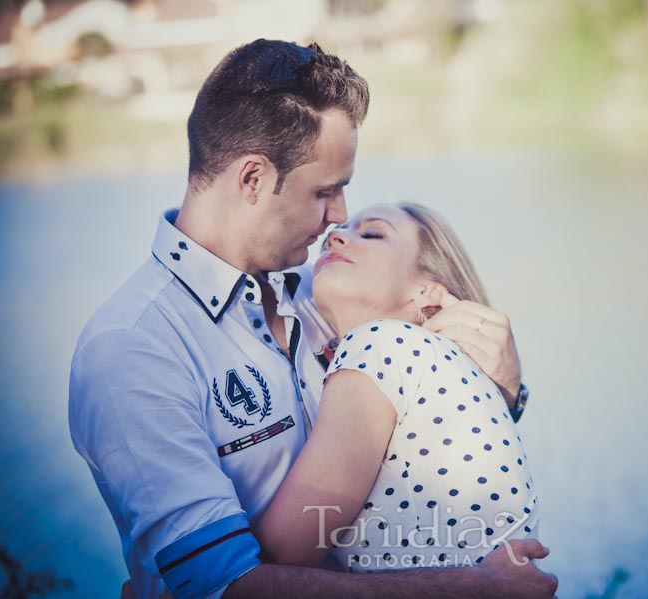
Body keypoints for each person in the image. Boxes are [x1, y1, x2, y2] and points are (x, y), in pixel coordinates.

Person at [68, 39, 555, 599]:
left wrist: (503, 391)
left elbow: (421, 438)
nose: (340, 218)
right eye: (327, 191)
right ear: (252, 180)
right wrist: (469, 588)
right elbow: (224, 587)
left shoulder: (326, 302)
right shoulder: (133, 349)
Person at [257, 203, 539, 572]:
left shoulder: (380, 346)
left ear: (429, 293)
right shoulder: (432, 369)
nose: (334, 235)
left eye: (373, 233)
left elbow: (284, 551)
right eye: (339, 233)